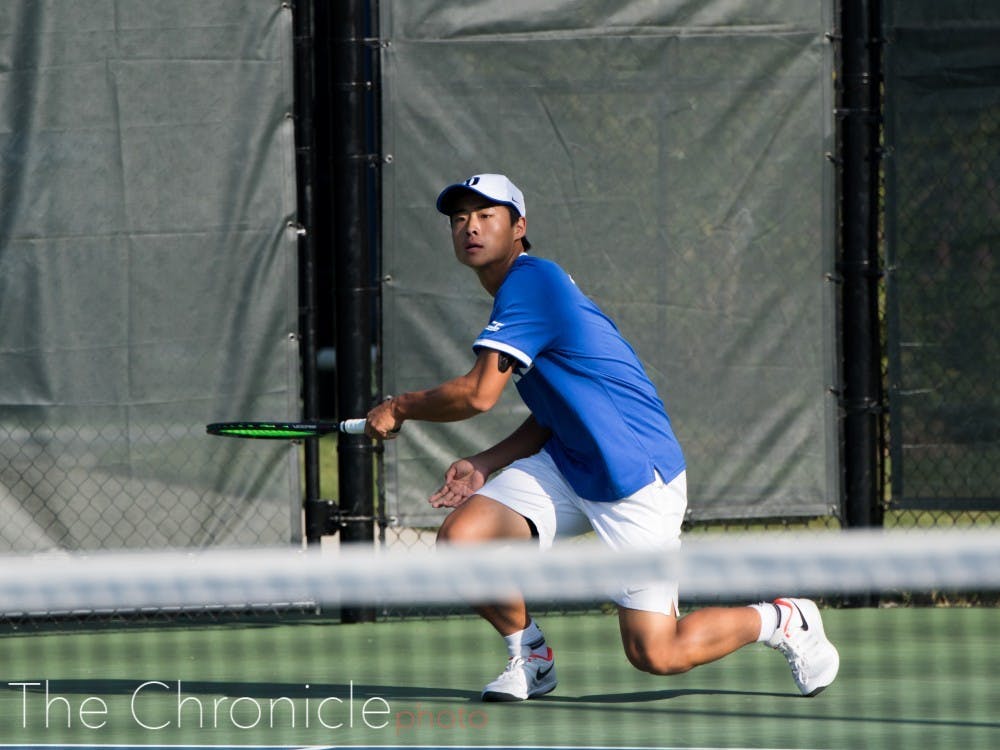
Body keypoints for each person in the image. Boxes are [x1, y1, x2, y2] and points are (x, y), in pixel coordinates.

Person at [364, 173, 839, 702]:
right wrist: (486, 461)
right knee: (464, 539)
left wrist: (400, 407)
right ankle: (531, 659)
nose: (470, 228)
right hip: (569, 463)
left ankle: (784, 620)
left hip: (633, 475)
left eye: (486, 215)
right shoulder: (520, 294)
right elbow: (553, 415)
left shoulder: (531, 284)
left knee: (657, 653)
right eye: (459, 219)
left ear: (519, 227)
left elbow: (478, 395)